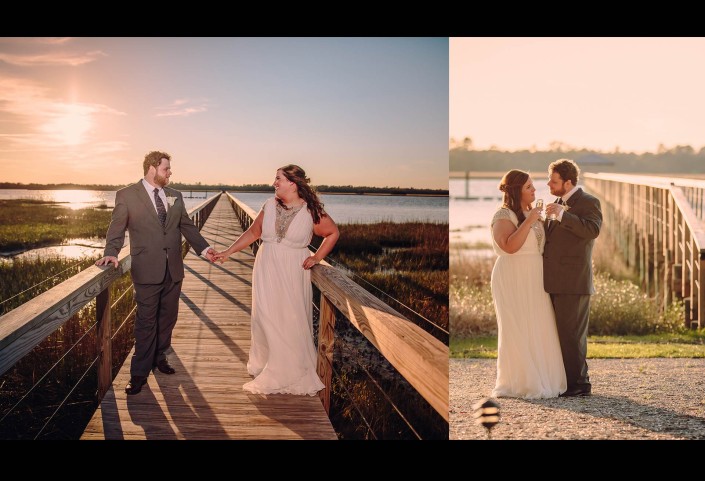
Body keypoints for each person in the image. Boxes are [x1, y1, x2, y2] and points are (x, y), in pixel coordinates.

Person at [95, 151, 216, 395]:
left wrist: (205, 249)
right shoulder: (127, 195)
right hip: (146, 269)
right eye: (166, 169)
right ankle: (139, 373)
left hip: (173, 268)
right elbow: (117, 228)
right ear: (152, 168)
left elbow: (186, 226)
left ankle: (159, 357)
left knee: (168, 318)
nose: (170, 173)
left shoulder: (175, 195)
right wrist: (111, 252)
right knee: (145, 322)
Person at [214, 165, 340, 395]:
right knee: (266, 316)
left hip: (293, 271)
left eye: (278, 179)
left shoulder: (311, 211)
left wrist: (317, 257)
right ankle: (268, 362)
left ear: (293, 183)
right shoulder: (269, 205)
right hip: (266, 268)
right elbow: (253, 233)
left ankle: (289, 369)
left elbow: (333, 233)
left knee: (290, 317)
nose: (274, 183)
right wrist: (227, 252)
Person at [490, 169, 566, 399]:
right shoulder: (504, 215)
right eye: (528, 187)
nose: (534, 190)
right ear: (516, 191)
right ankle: (522, 381)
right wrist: (531, 220)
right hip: (512, 274)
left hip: (535, 275)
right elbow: (509, 247)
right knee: (518, 326)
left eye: (533, 186)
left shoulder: (529, 212)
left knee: (539, 324)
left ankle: (545, 378)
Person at [543, 159, 602, 397]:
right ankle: (567, 382)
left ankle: (580, 385)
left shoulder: (589, 202)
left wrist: (563, 216)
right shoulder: (558, 202)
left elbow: (592, 230)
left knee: (572, 335)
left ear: (568, 182)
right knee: (560, 334)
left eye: (554, 180)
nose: (549, 183)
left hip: (574, 281)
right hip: (555, 280)